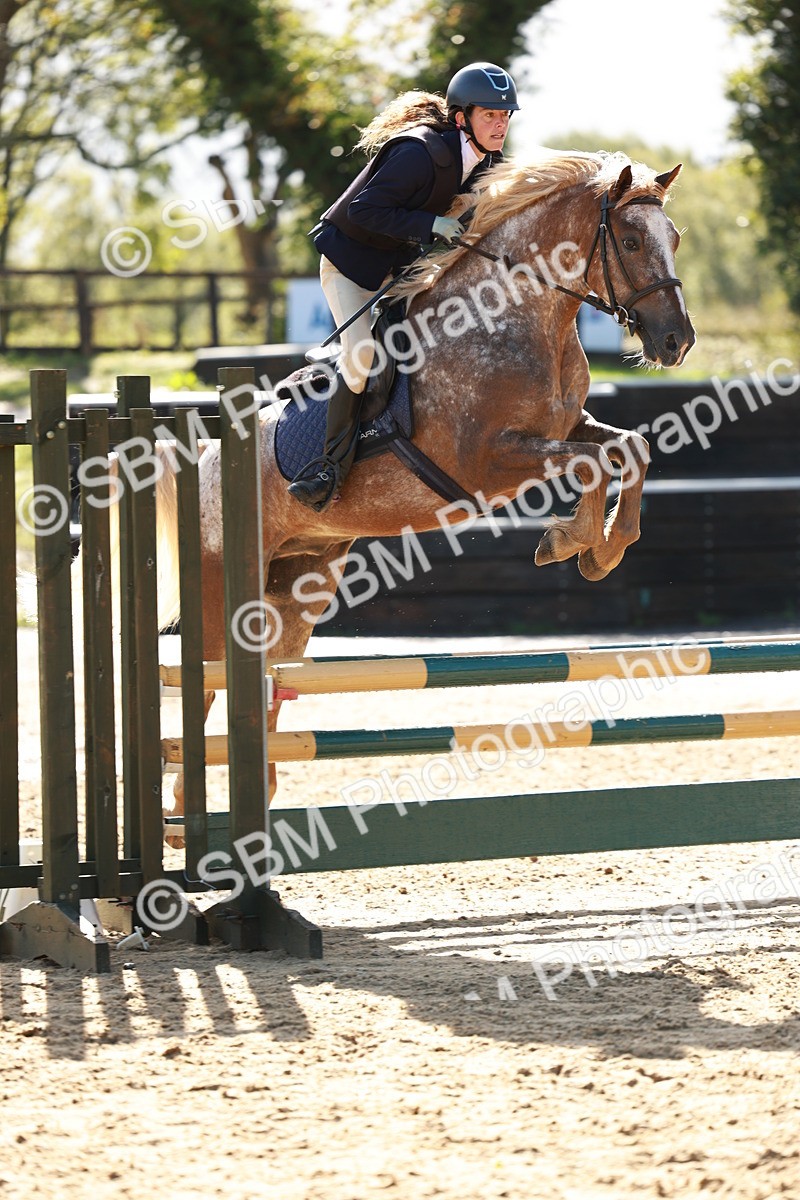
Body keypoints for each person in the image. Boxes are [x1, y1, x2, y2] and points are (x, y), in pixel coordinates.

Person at [287, 61, 520, 512]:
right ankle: (326, 468)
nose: (500, 124)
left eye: (505, 115)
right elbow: (363, 210)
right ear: (461, 118)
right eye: (490, 115)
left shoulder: (487, 162)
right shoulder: (418, 152)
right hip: (351, 266)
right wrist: (430, 223)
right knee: (361, 357)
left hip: (398, 268)